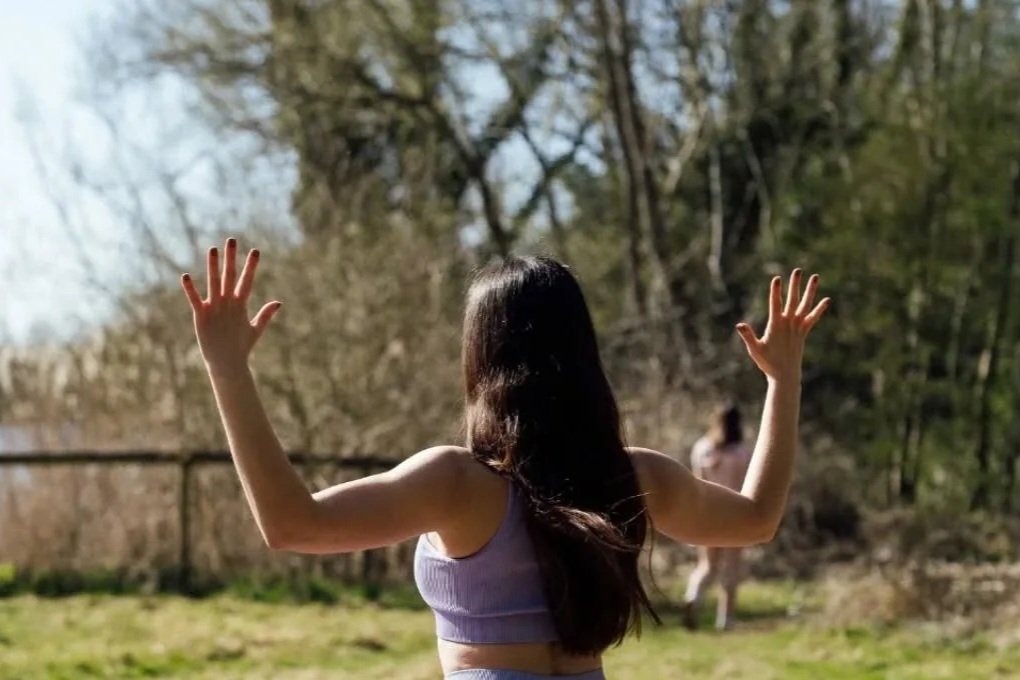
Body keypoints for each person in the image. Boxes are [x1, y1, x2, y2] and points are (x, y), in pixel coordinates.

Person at [180, 238, 830, 679]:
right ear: (584, 356)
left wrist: (227, 369)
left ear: (479, 359)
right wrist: (784, 382)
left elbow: (293, 524)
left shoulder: (455, 486)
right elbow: (757, 517)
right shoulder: (632, 478)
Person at [682, 405, 752, 632]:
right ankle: (726, 619)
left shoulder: (702, 448)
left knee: (707, 565)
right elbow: (747, 486)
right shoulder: (741, 452)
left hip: (707, 512)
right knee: (731, 568)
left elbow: (696, 483)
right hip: (734, 513)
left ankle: (694, 595)